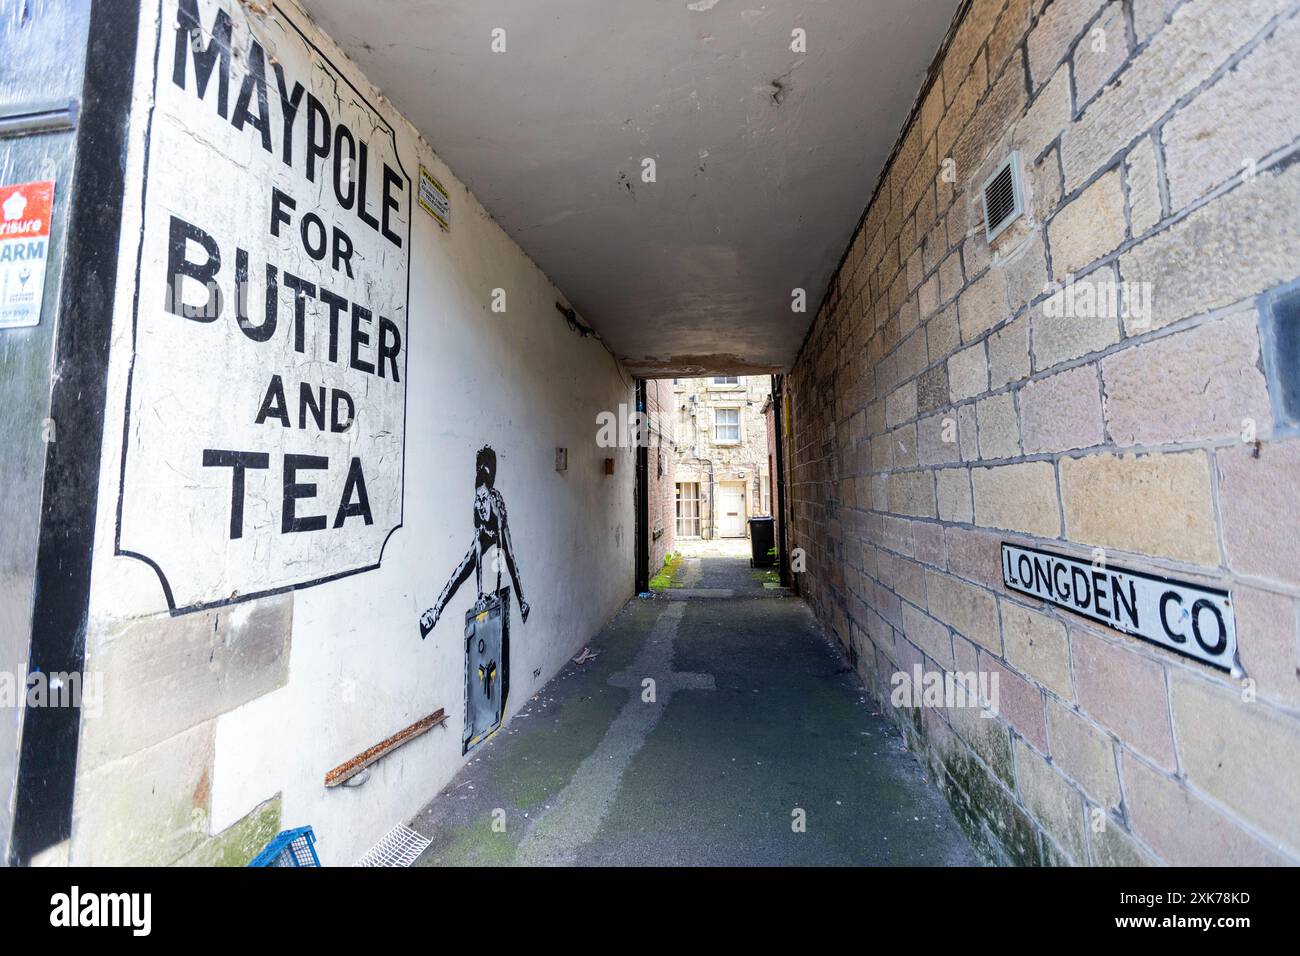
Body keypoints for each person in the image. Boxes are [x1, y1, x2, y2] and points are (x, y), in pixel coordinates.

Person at [420, 445, 530, 637]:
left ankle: (523, 602)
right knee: (464, 565)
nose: (480, 504)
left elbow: (500, 554)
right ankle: (436, 610)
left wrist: (495, 591)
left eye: (483, 499)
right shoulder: (477, 509)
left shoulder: (495, 508)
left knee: (511, 559)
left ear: (489, 496)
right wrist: (479, 594)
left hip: (498, 531)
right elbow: (478, 557)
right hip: (485, 532)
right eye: (478, 499)